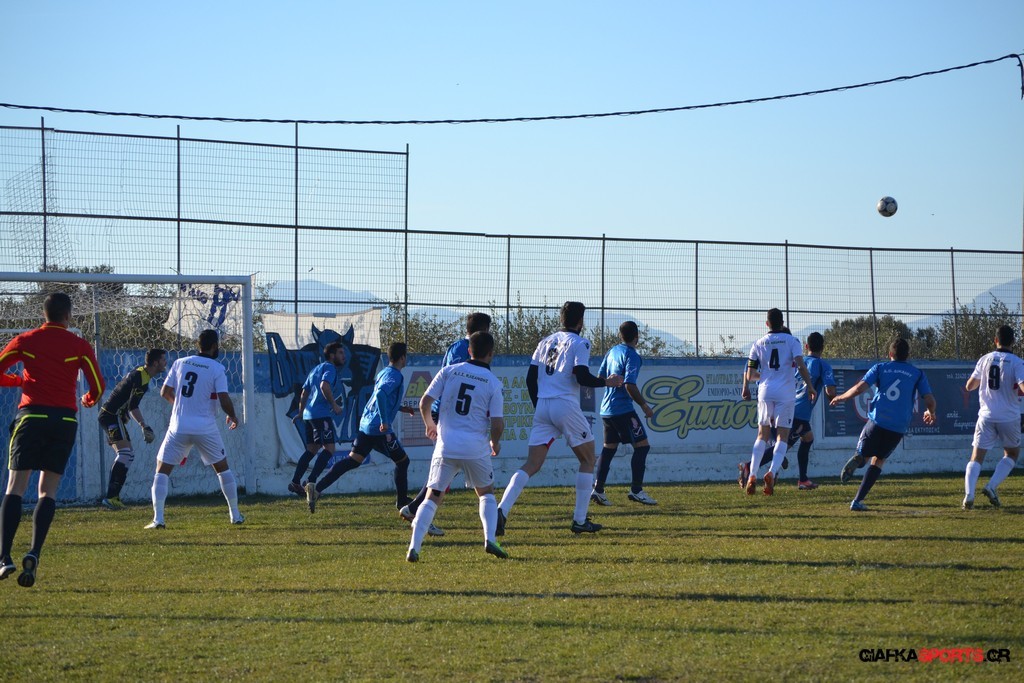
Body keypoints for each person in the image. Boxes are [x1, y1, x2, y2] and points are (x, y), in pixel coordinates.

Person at [0, 292, 105, 587]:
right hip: (64, 421)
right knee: (48, 491)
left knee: (15, 487)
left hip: (31, 417)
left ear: (43, 314)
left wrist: (17, 381)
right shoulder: (79, 345)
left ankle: (4, 557)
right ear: (68, 316)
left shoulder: (26, 340)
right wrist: (87, 399)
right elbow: (98, 385)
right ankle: (34, 551)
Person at [496, 301, 623, 535]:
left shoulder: (544, 342)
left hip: (543, 405)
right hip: (564, 404)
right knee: (587, 459)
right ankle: (579, 520)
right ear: (580, 321)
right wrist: (608, 382)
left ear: (561, 319)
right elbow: (582, 377)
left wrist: (540, 406)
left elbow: (530, 379)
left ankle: (502, 510)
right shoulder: (580, 342)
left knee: (531, 464)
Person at [406, 331, 508, 562]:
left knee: (432, 496)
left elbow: (424, 402)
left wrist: (430, 425)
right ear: (491, 354)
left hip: (446, 446)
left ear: (469, 350)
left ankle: (414, 546)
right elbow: (497, 423)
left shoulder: (449, 371)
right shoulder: (493, 383)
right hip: (475, 448)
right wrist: (495, 442)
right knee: (486, 493)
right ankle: (490, 539)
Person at [400, 312, 493, 536]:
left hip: (443, 410)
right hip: (450, 415)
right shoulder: (468, 351)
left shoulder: (455, 346)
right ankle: (417, 512)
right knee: (445, 469)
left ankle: (415, 508)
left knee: (446, 468)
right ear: (484, 330)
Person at [146, 329, 244, 528]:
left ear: (198, 345)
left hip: (179, 426)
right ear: (214, 346)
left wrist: (180, 406)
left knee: (161, 471)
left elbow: (165, 391)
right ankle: (235, 515)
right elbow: (223, 397)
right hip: (205, 428)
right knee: (223, 469)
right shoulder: (217, 368)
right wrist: (233, 415)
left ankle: (158, 519)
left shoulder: (180, 363)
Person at [305, 342, 417, 514]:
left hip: (366, 425)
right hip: (379, 429)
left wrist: (401, 408)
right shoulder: (395, 375)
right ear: (402, 357)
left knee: (352, 461)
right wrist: (385, 421)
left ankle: (317, 489)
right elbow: (380, 395)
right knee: (403, 461)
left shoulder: (383, 372)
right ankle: (402, 501)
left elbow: (381, 397)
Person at [831, 338, 936, 511]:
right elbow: (930, 400)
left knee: (864, 454)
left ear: (890, 354)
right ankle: (857, 500)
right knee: (879, 460)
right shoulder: (917, 373)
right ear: (907, 355)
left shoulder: (880, 368)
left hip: (878, 420)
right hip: (898, 427)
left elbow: (859, 388)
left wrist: (841, 397)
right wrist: (930, 412)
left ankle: (860, 457)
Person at [737, 332, 836, 490]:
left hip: (778, 404)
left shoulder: (792, 361)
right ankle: (750, 467)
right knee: (783, 445)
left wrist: (746, 386)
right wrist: (835, 398)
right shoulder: (821, 365)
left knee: (807, 438)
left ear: (806, 346)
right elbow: (830, 390)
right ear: (823, 347)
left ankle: (802, 479)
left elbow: (748, 367)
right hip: (797, 412)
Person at [741, 309, 816, 496]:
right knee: (783, 437)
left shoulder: (758, 343)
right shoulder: (792, 341)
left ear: (767, 324)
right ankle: (772, 473)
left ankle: (752, 475)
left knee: (762, 435)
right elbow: (800, 365)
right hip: (786, 393)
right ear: (782, 323)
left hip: (765, 392)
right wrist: (810, 386)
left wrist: (765, 377)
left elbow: (750, 375)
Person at [591, 321, 657, 506]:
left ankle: (598, 490)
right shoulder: (632, 355)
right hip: (623, 409)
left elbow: (600, 378)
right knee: (642, 446)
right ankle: (636, 490)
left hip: (606, 410)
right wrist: (644, 406)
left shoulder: (612, 351)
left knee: (609, 448)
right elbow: (629, 384)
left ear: (620, 336)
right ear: (637, 337)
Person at [962, 325, 1024, 509]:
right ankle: (991, 486)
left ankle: (969, 495)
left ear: (995, 340)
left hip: (986, 416)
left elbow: (969, 386)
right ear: (1013, 341)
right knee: (1012, 453)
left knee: (976, 457)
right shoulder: (1017, 362)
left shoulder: (985, 359)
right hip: (1009, 417)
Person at [98, 348, 168, 510]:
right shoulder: (141, 377)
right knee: (125, 454)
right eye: (163, 360)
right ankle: (110, 497)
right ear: (155, 363)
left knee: (127, 455)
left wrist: (124, 415)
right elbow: (132, 406)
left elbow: (124, 397)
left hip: (111, 415)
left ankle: (113, 497)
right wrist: (144, 425)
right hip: (111, 416)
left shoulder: (141, 373)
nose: (165, 363)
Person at [286, 341, 346, 496]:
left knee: (311, 450)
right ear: (332, 355)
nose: (343, 356)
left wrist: (301, 413)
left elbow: (304, 392)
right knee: (329, 449)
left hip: (309, 416)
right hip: (321, 415)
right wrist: (334, 405)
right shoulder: (330, 368)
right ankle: (311, 482)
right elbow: (324, 386)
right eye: (340, 353)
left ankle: (295, 481)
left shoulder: (315, 370)